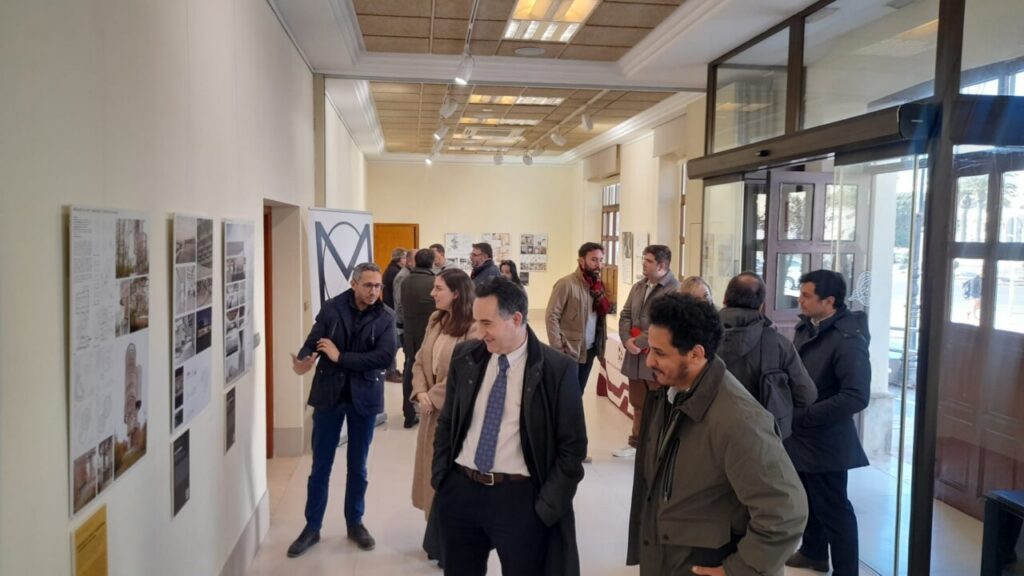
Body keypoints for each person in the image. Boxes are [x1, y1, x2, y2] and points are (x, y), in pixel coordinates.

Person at [626, 293, 807, 576]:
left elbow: (786, 512)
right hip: (672, 559)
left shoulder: (740, 421)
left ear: (696, 354)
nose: (649, 361)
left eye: (660, 353)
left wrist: (738, 570)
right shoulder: (668, 395)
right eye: (650, 349)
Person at [432, 278, 587, 576]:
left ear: (516, 319)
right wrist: (442, 479)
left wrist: (547, 507)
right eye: (477, 321)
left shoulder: (557, 370)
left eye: (487, 323)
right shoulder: (466, 357)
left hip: (519, 500)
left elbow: (573, 448)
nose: (479, 331)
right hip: (461, 492)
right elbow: (448, 420)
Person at [287, 263, 397, 558]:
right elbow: (312, 342)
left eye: (378, 286)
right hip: (329, 396)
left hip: (365, 397)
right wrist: (302, 361)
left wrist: (340, 356)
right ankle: (312, 527)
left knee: (358, 466)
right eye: (368, 285)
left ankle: (355, 522)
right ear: (354, 284)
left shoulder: (386, 316)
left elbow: (385, 358)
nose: (374, 291)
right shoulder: (332, 308)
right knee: (320, 465)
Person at [785, 270, 870, 576]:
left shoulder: (849, 339)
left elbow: (856, 396)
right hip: (802, 435)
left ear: (829, 301)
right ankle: (813, 553)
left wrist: (807, 415)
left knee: (834, 509)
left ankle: (847, 571)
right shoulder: (807, 327)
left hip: (827, 439)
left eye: (807, 295)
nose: (800, 299)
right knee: (808, 500)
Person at [410, 269, 479, 566]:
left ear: (457, 293)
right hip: (431, 411)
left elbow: (464, 372)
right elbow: (418, 360)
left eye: (438, 288)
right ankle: (435, 536)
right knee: (431, 473)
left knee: (451, 477)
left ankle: (452, 540)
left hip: (455, 413)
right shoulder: (436, 320)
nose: (432, 293)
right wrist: (420, 391)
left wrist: (433, 397)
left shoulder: (473, 327)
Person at [717, 272, 817, 439]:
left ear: (725, 299)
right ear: (761, 305)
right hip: (763, 438)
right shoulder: (779, 345)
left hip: (710, 433)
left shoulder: (701, 336)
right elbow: (806, 395)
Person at [612, 245, 680, 459]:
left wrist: (640, 342)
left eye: (648, 261)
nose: (643, 263)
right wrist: (626, 340)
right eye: (644, 259)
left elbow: (665, 322)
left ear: (662, 265)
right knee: (638, 403)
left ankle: (658, 445)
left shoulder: (674, 289)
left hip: (656, 357)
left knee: (659, 403)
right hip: (635, 355)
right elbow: (625, 314)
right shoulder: (639, 286)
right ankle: (636, 443)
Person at [545, 242, 608, 392]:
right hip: (570, 350)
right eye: (593, 259)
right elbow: (551, 316)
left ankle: (574, 416)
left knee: (578, 392)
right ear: (581, 261)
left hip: (590, 350)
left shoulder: (598, 286)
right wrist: (558, 348)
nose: (598, 264)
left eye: (600, 260)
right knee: (566, 394)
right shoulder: (566, 284)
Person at [400, 249, 437, 428]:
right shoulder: (434, 282)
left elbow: (400, 306)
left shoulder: (406, 281)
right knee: (432, 370)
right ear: (432, 262)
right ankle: (431, 409)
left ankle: (408, 412)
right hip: (430, 333)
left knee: (409, 369)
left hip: (410, 332)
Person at [382, 247, 407, 383]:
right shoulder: (396, 273)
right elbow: (397, 298)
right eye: (404, 258)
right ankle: (390, 371)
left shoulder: (391, 270)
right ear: (400, 259)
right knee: (394, 344)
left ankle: (390, 369)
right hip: (392, 312)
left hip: (390, 310)